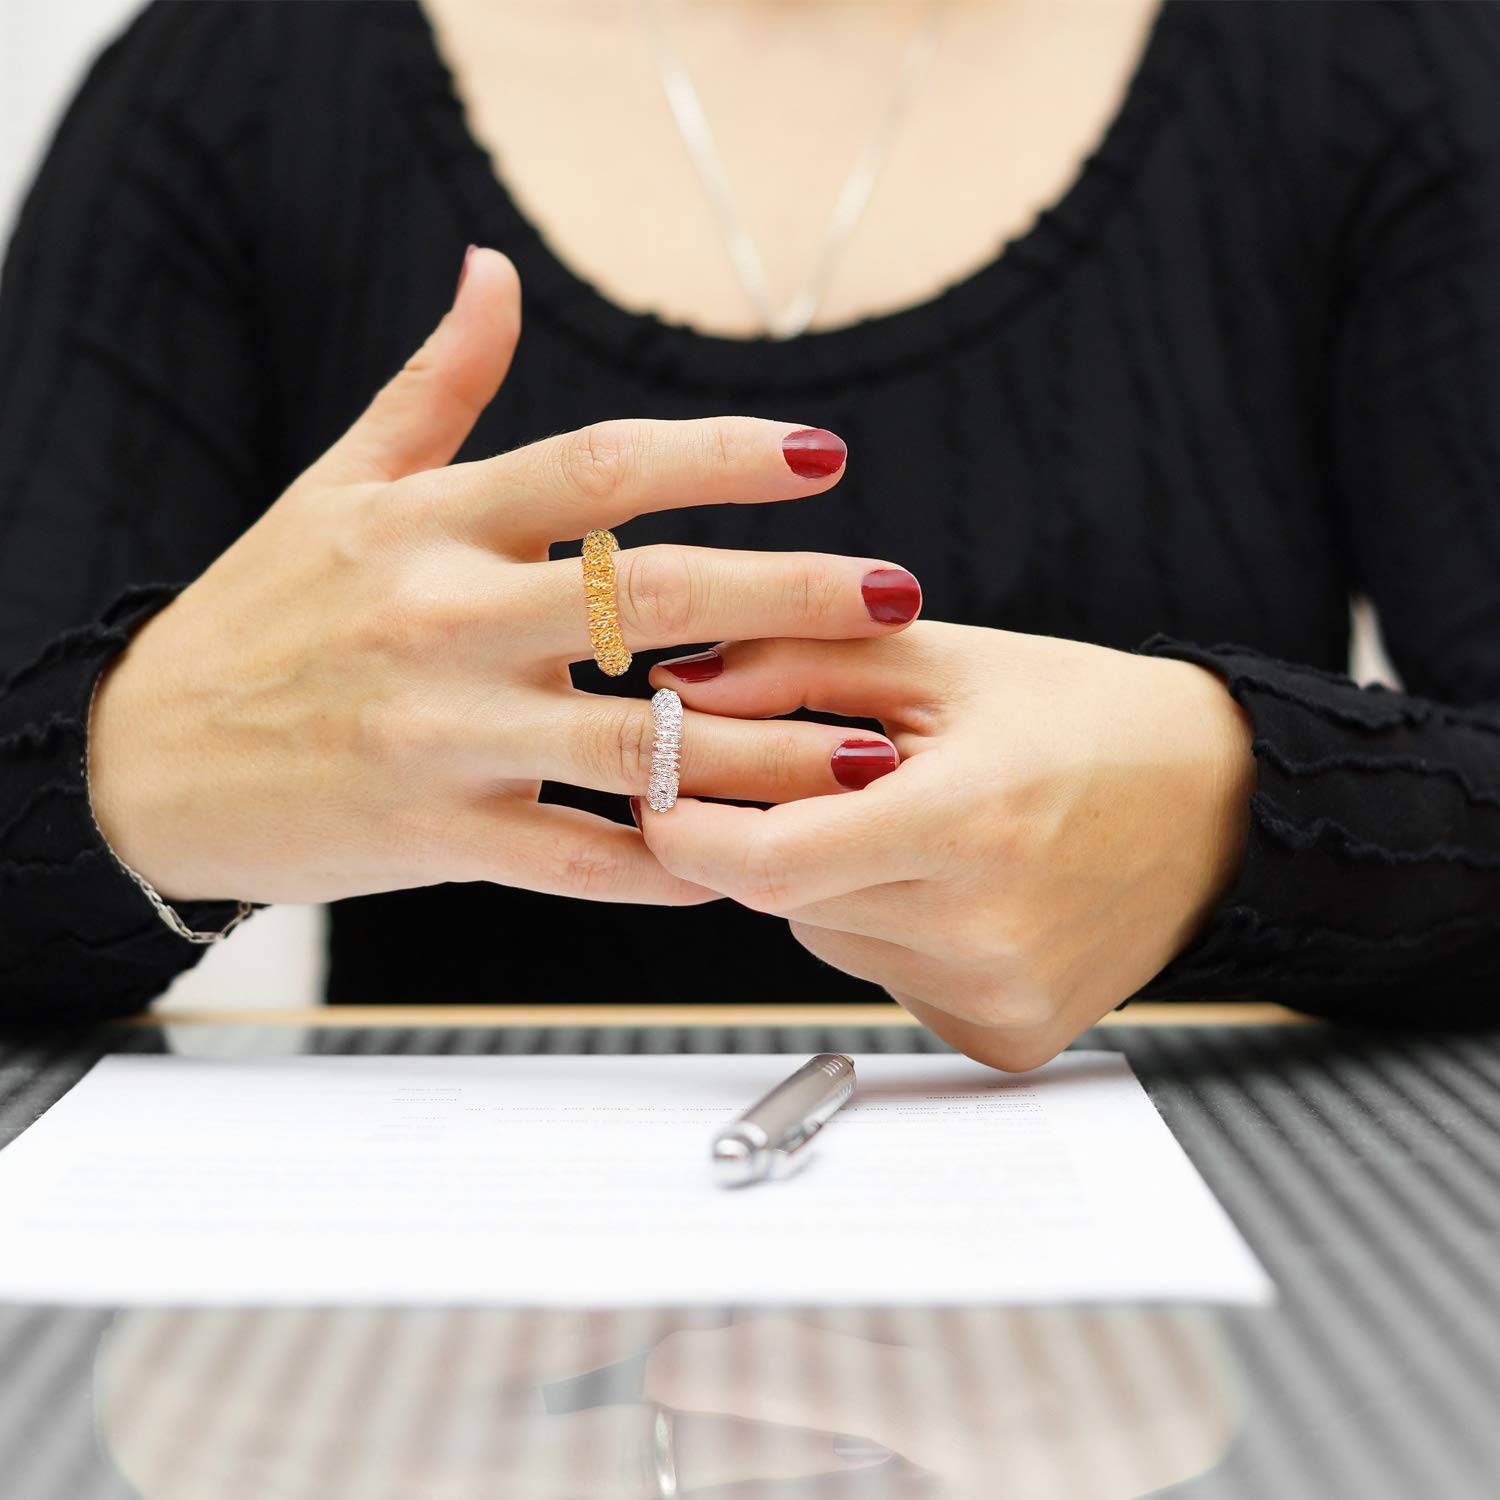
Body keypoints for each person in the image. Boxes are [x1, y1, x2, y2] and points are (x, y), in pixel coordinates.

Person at [1, 0, 1497, 1068]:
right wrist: (131, 770)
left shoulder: (1369, 59)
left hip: (1192, 1341)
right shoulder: (234, 82)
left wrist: (1241, 807)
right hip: (454, 1349)